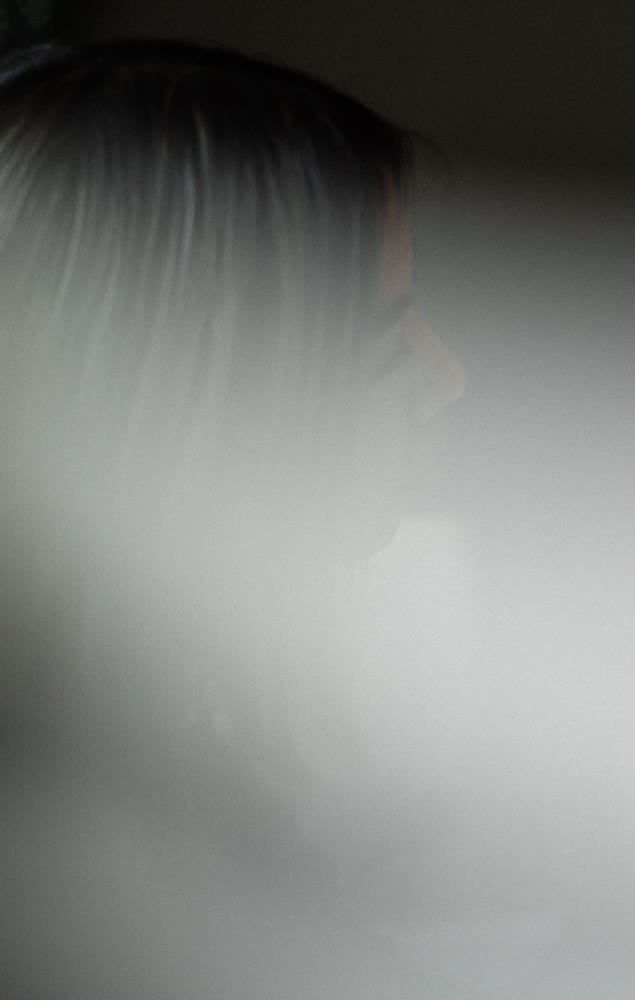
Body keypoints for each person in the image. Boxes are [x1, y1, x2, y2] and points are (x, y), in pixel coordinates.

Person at [0, 41, 466, 998]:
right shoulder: (67, 879)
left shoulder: (160, 730)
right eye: (381, 344)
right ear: (192, 392)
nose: (448, 378)